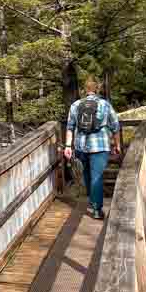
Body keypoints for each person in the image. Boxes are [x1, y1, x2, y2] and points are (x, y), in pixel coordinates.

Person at [63, 77, 120, 220]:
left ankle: (92, 200)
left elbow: (70, 127)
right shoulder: (105, 104)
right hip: (100, 147)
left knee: (87, 174)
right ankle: (97, 209)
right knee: (97, 176)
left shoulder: (76, 105)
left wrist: (68, 146)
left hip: (81, 146)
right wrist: (117, 144)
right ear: (97, 89)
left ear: (85, 90)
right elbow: (115, 126)